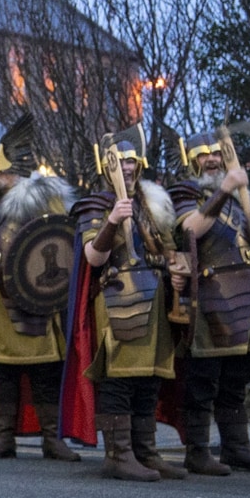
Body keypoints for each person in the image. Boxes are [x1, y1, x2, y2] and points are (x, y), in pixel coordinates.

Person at [0, 117, 79, 461]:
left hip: (33, 297)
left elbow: (60, 240)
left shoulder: (40, 201)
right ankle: (3, 437)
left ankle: (53, 439)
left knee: (45, 371)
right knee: (2, 372)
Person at [170, 132, 250, 475]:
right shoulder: (185, 193)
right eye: (203, 155)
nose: (212, 159)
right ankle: (198, 451)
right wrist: (224, 190)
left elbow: (244, 243)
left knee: (236, 378)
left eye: (217, 153)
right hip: (209, 297)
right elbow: (190, 229)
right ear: (191, 160)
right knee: (203, 378)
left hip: (243, 298)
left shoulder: (237, 199)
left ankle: (236, 447)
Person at [73, 139, 184, 480]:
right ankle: (118, 455)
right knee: (120, 379)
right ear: (107, 167)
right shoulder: (96, 203)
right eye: (122, 163)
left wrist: (177, 268)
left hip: (155, 298)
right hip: (118, 298)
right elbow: (93, 256)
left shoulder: (148, 204)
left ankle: (145, 452)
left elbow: (167, 250)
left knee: (149, 378)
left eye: (132, 162)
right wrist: (111, 221)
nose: (129, 168)